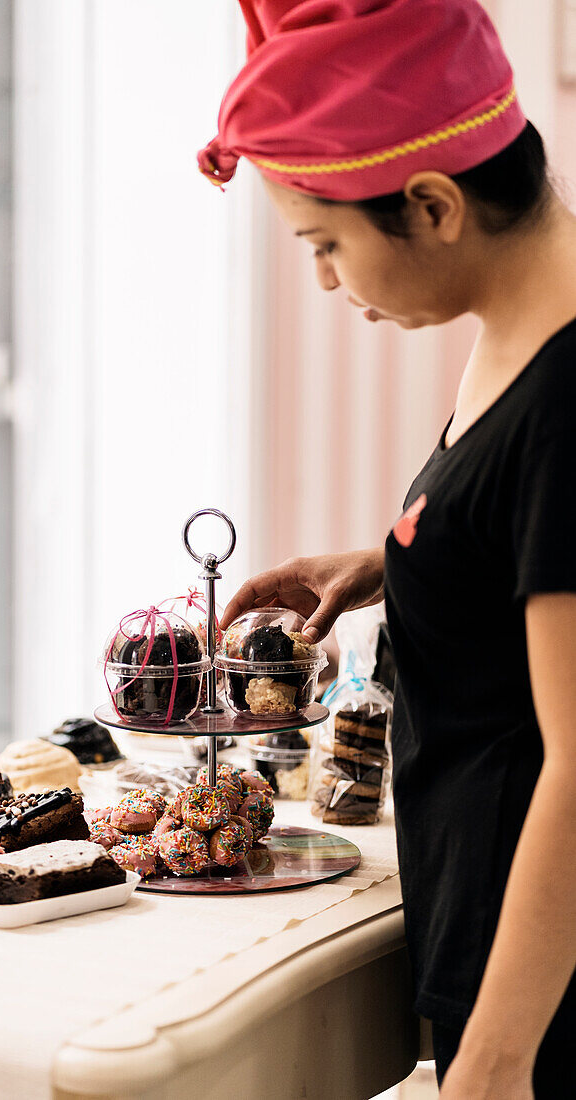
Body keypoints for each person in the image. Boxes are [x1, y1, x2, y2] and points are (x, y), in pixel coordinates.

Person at [198, 2, 576, 1097]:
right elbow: (517, 529)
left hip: (540, 999)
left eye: (326, 245)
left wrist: (496, 1063)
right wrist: (393, 557)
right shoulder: (520, 326)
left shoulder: (563, 397)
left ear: (430, 203)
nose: (324, 280)